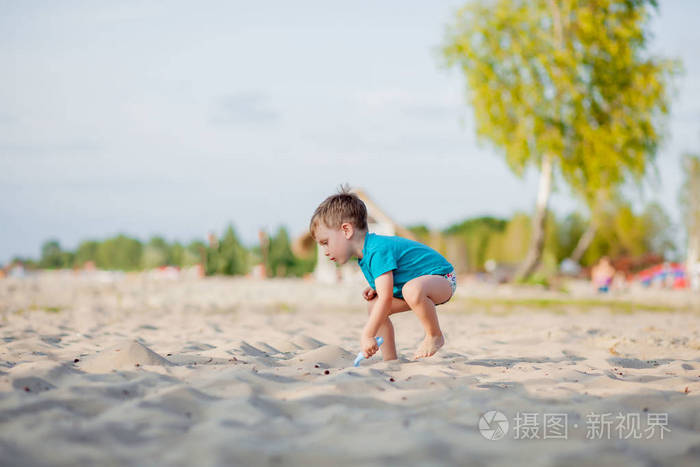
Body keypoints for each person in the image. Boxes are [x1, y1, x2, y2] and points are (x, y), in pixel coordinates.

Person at [309, 188, 456, 361]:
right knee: (374, 305)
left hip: (443, 278)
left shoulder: (377, 249)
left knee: (409, 290)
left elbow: (387, 297)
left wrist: (367, 334)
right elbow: (386, 287)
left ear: (347, 230)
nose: (325, 251)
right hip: (417, 287)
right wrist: (374, 288)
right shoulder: (365, 256)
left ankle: (434, 335)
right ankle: (390, 359)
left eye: (326, 242)